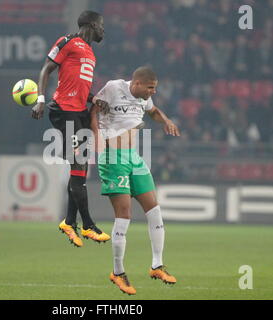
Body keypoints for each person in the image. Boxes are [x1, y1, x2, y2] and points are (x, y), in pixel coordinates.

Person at [90, 66, 181, 295]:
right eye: (150, 87)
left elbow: (153, 111)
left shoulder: (144, 99)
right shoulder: (113, 88)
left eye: (155, 88)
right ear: (137, 83)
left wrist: (166, 120)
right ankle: (118, 272)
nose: (153, 92)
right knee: (124, 215)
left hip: (134, 157)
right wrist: (97, 139)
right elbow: (94, 110)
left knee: (154, 210)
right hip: (113, 158)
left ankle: (157, 265)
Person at [32, 10, 110, 247]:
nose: (103, 29)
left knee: (80, 170)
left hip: (79, 113)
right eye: (101, 25)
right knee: (78, 165)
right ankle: (87, 225)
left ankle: (69, 221)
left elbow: (81, 87)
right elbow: (46, 68)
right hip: (63, 110)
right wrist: (40, 99)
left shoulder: (90, 53)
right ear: (91, 24)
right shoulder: (67, 42)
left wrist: (95, 99)